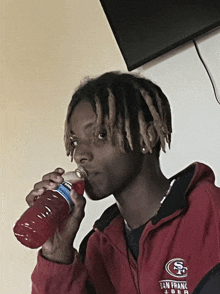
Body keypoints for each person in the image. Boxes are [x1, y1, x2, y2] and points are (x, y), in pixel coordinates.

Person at [27, 72, 220, 293]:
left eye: (100, 134)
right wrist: (56, 253)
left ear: (147, 137)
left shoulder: (211, 215)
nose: (80, 154)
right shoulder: (97, 249)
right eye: (75, 141)